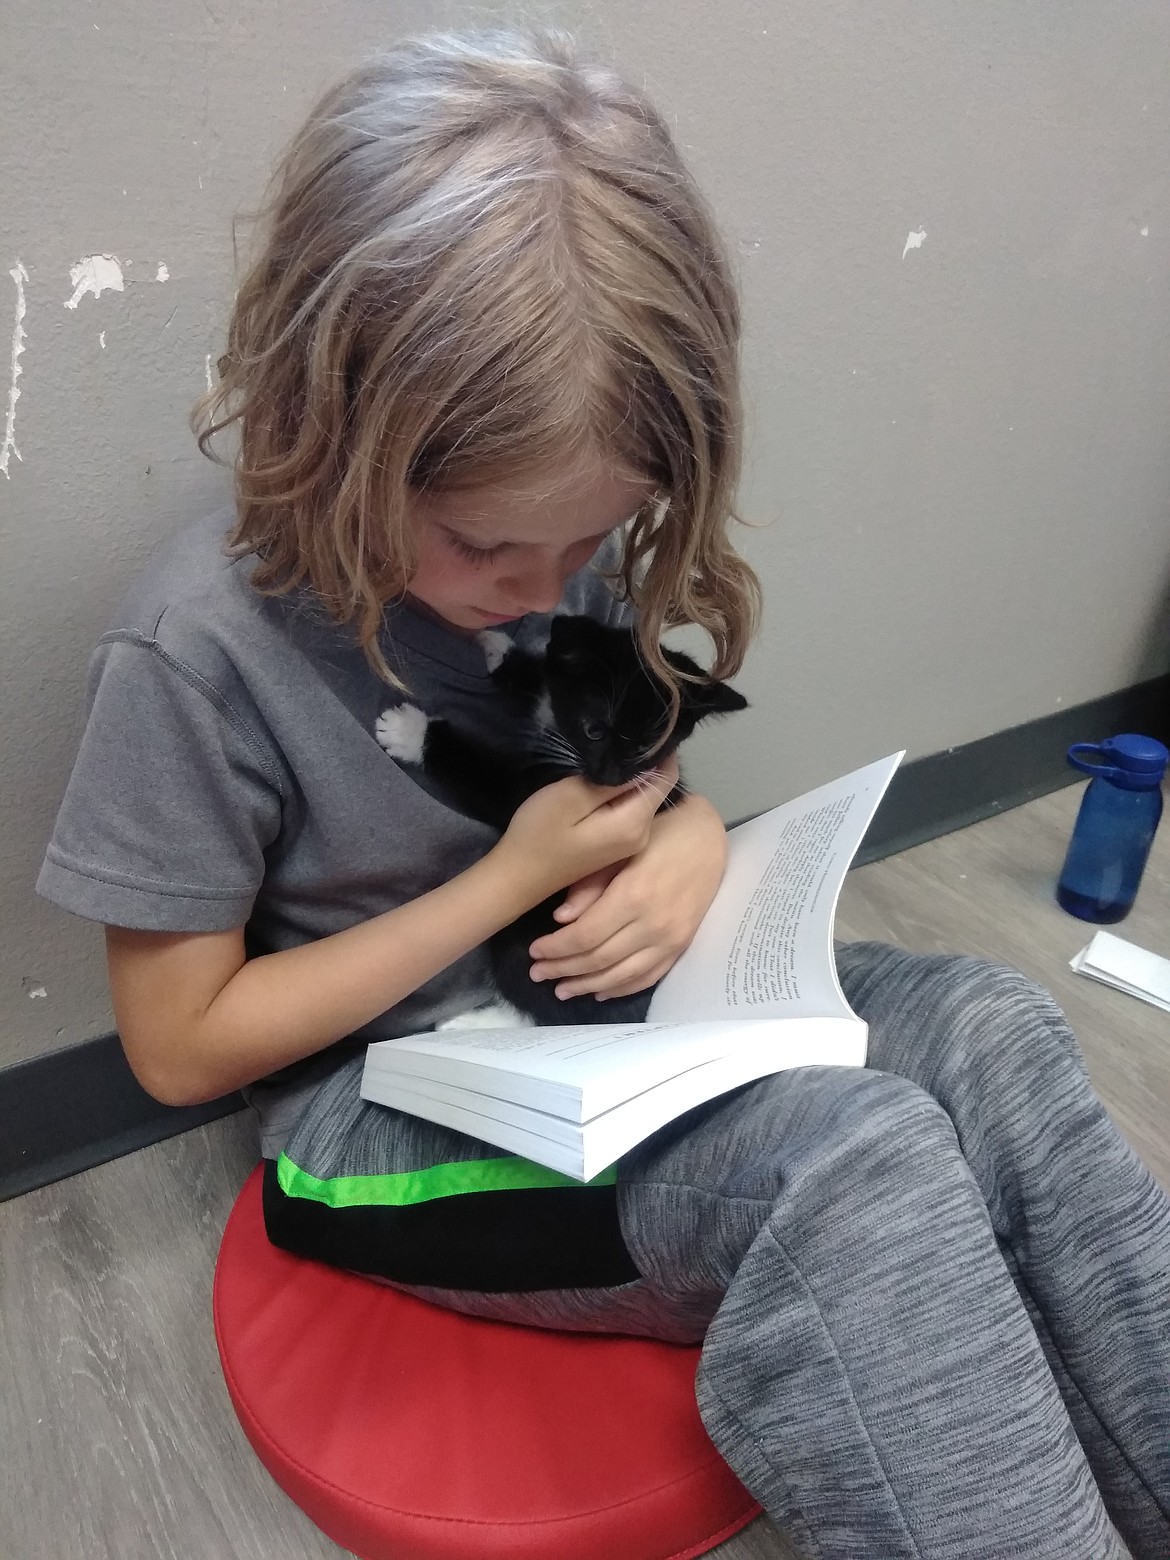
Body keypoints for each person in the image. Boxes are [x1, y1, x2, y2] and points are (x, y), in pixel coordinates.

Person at [35, 27, 1169, 1560]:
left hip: (604, 1027)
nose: (536, 594)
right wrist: (504, 882)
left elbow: (643, 790)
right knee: (857, 1173)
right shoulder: (194, 651)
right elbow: (177, 1050)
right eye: (486, 552)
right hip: (373, 1117)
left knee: (995, 1030)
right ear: (334, 437)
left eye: (586, 545)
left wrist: (689, 844)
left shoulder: (560, 527)